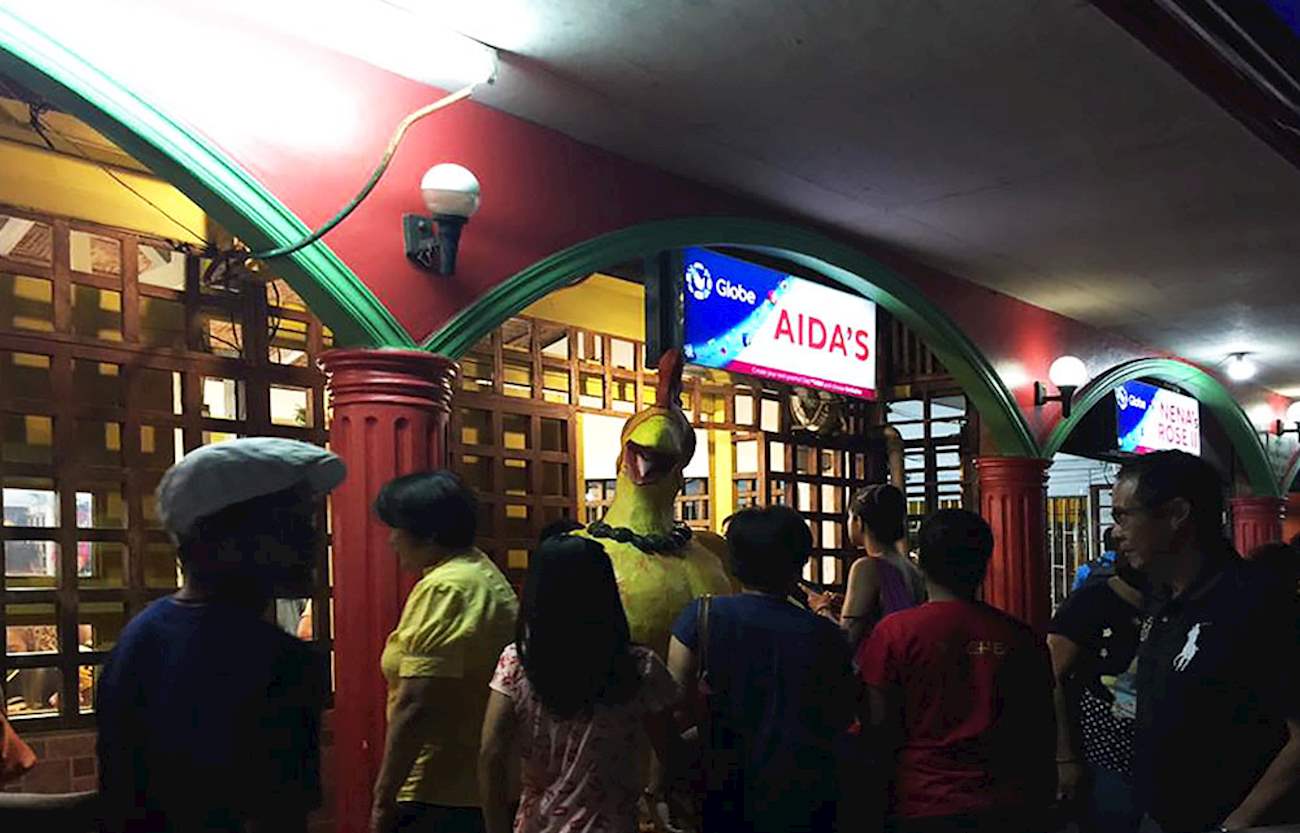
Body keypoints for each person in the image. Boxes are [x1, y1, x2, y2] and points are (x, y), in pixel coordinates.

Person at [96, 437, 342, 833]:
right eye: (292, 524)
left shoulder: (138, 638)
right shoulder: (279, 661)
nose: (312, 540)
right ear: (226, 537)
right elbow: (278, 816)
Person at [1113, 451, 1300, 832]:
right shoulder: (1164, 599)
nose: (1117, 532)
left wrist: (1235, 824)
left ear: (1176, 514)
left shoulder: (1256, 603)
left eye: (1123, 515)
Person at [858, 509, 1055, 833]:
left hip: (920, 801)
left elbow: (877, 723)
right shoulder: (1021, 638)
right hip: (1007, 804)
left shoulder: (895, 633)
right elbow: (1039, 727)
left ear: (921, 562)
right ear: (984, 563)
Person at [667, 505, 855, 833]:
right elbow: (841, 713)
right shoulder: (826, 635)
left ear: (733, 561)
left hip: (725, 788)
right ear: (800, 561)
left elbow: (674, 707)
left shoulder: (702, 616)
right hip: (808, 794)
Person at [478, 535, 684, 833]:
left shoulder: (517, 661)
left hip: (537, 824)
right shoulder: (640, 666)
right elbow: (670, 751)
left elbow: (491, 753)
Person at [370, 471, 519, 833]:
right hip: (479, 784)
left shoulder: (446, 588)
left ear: (430, 534)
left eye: (397, 528)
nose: (391, 540)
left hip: (439, 789)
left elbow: (417, 703)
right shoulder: (479, 572)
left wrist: (383, 796)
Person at [1048, 547, 1149, 833]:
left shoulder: (1171, 602)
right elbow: (1051, 674)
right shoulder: (1089, 602)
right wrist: (1064, 757)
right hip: (1100, 755)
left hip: (1156, 755)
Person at [810, 484, 926, 651]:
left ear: (859, 522)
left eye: (850, 517)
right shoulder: (909, 567)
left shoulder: (867, 568)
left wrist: (822, 609)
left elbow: (846, 639)